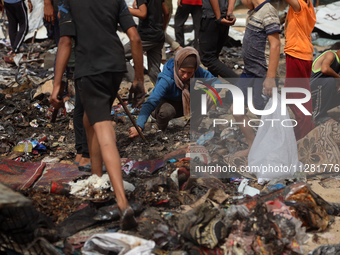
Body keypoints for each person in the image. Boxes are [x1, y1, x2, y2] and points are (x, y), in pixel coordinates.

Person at [50, 0, 145, 230]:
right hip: (115, 66)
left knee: (102, 127)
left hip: (90, 69)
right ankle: (97, 177)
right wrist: (138, 79)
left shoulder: (68, 2)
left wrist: (56, 84)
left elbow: (65, 41)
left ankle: (122, 204)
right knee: (89, 119)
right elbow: (135, 38)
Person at [129, 47, 216, 137]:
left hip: (183, 102)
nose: (185, 76)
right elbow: (151, 101)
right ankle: (159, 126)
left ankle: (191, 128)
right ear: (177, 66)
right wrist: (139, 126)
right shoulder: (166, 79)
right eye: (183, 72)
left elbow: (216, 81)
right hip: (167, 105)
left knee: (209, 97)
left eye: (189, 73)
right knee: (167, 111)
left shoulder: (197, 72)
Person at [232, 0, 280, 157]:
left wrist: (270, 77)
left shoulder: (268, 12)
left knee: (263, 113)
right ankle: (253, 145)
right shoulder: (253, 12)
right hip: (249, 72)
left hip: (262, 74)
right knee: (236, 109)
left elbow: (275, 45)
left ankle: (275, 149)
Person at [284, 0, 316, 140]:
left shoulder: (300, 6)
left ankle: (304, 133)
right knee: (291, 93)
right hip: (304, 54)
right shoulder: (310, 7)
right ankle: (298, 128)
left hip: (297, 54)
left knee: (299, 97)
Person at [125, 0, 170, 85]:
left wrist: (125, 9)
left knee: (121, 56)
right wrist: (162, 29)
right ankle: (164, 95)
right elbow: (166, 12)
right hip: (158, 37)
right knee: (154, 72)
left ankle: (137, 84)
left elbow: (143, 14)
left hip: (146, 36)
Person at [199, 0, 238, 82]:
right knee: (214, 56)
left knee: (208, 58)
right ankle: (212, 89)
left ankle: (239, 82)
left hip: (212, 16)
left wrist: (218, 17)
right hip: (224, 16)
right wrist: (229, 12)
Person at [310, 49, 340, 123]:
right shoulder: (330, 54)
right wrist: (338, 78)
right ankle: (319, 116)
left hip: (321, 92)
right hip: (308, 90)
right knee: (329, 81)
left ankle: (317, 108)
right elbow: (325, 69)